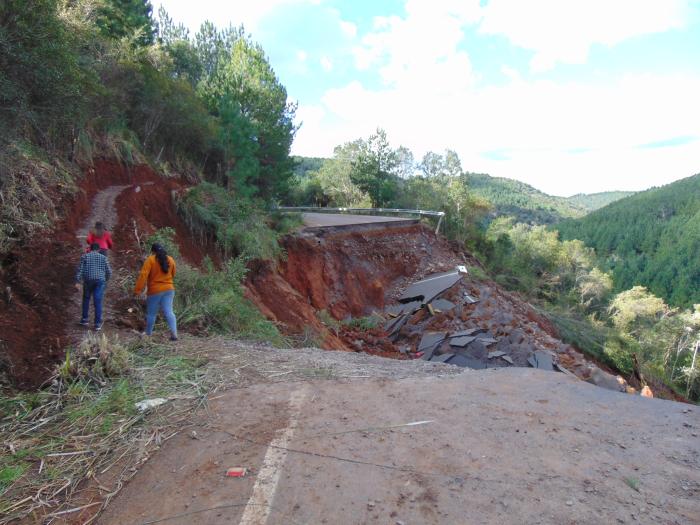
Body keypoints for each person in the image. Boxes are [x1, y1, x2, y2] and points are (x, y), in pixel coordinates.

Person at [134, 243, 178, 341]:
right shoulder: (170, 259)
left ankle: (148, 334)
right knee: (169, 312)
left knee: (151, 314)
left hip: (155, 291)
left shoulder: (150, 260)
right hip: (169, 289)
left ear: (153, 251)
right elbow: (173, 273)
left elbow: (143, 276)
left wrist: (137, 290)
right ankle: (174, 333)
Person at [75, 243, 112, 330]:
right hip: (100, 281)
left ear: (90, 249)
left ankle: (84, 319)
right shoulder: (103, 258)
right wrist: (106, 279)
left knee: (86, 299)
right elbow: (109, 271)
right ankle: (97, 324)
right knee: (98, 301)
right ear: (99, 249)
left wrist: (78, 281)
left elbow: (80, 270)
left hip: (88, 280)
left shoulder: (85, 257)